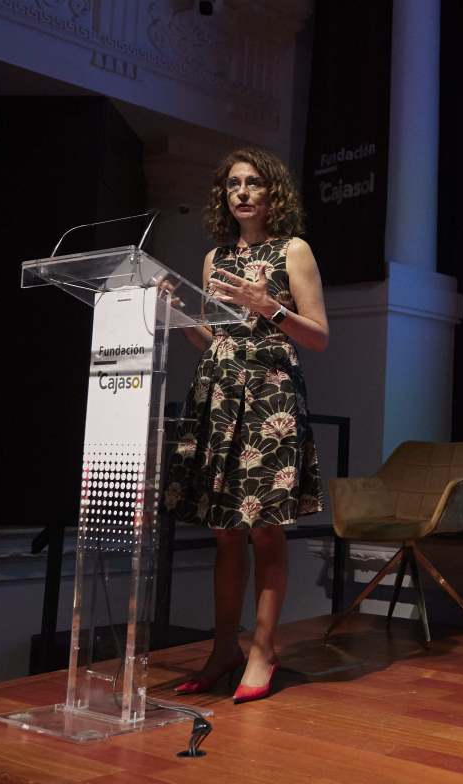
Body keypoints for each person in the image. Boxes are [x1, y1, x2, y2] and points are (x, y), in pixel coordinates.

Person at [164, 147, 329, 704]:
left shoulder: (294, 250)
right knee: (225, 532)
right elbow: (217, 340)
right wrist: (183, 320)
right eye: (233, 183)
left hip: (270, 398)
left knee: (264, 529)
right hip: (218, 393)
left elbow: (319, 336)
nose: (242, 192)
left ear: (271, 191)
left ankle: (263, 648)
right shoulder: (214, 259)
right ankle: (222, 649)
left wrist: (269, 307)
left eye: (253, 182)